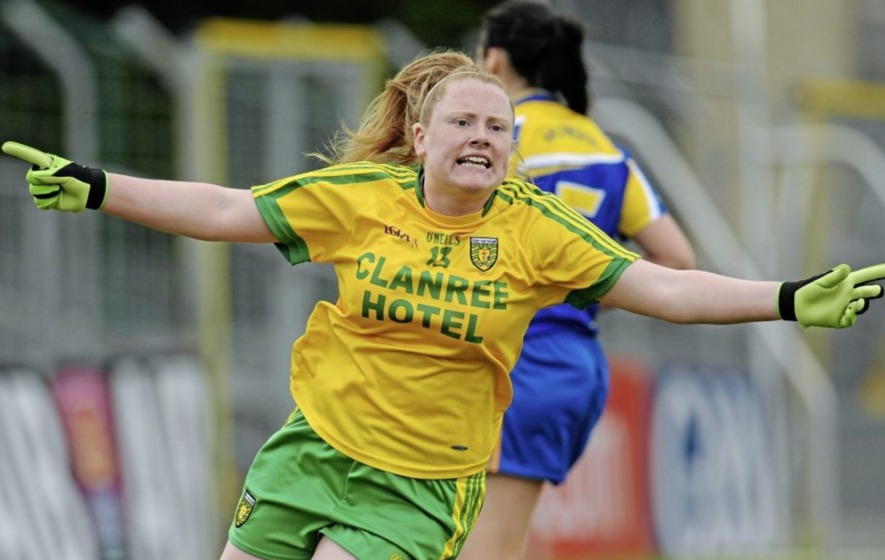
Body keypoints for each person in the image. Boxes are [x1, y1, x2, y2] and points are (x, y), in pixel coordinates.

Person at [4, 51, 885, 560]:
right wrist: (100, 187)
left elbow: (664, 287)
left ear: (513, 147)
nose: (481, 139)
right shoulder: (359, 199)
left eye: (497, 128)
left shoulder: (537, 231)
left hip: (420, 488)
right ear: (421, 138)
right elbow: (228, 208)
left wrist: (784, 298)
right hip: (310, 450)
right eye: (463, 124)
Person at [462, 2, 695, 557]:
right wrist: (582, 287)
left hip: (512, 362)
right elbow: (676, 258)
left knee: (479, 547)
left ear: (493, 59)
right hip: (571, 363)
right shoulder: (605, 147)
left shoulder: (486, 139)